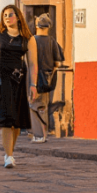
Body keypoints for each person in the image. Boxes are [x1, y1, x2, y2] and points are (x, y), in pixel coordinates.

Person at [0, 5, 38, 169]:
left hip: (19, 80)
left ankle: (10, 151)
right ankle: (8, 155)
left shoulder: (28, 38)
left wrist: (33, 85)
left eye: (11, 15)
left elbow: (33, 64)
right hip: (1, 79)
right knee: (5, 119)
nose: (7, 18)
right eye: (5, 15)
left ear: (18, 17)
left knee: (16, 121)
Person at [30, 13, 63, 143]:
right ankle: (44, 133)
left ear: (37, 26)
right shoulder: (52, 41)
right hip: (48, 78)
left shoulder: (32, 41)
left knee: (33, 105)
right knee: (44, 106)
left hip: (34, 77)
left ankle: (37, 135)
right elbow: (57, 63)